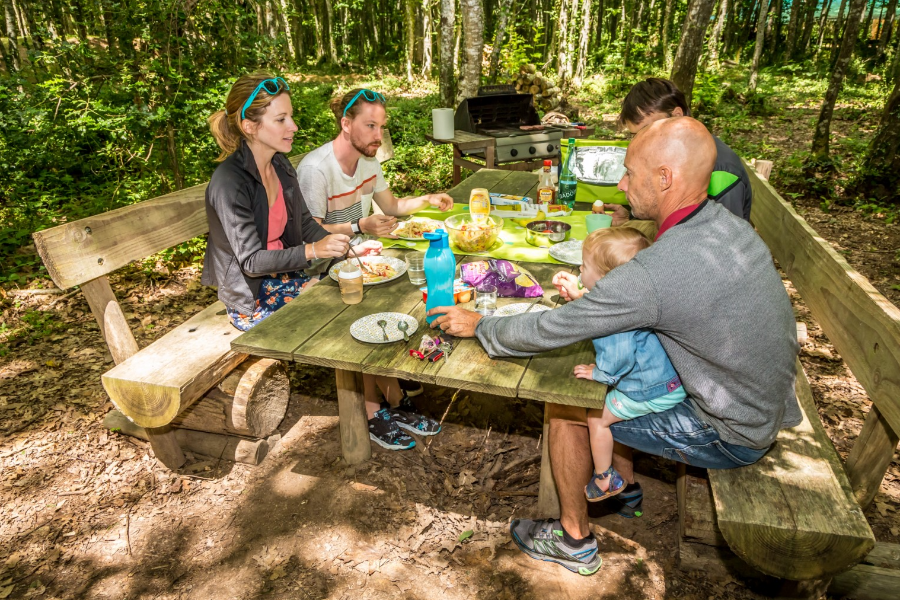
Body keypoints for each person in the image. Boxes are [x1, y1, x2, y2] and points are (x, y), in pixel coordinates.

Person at [428, 117, 800, 576]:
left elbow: (553, 330)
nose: (622, 184)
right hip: (762, 397)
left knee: (566, 405)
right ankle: (624, 487)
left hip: (732, 429)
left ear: (665, 178)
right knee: (614, 384)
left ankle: (574, 539)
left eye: (629, 172)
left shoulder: (658, 268)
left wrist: (482, 324)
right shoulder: (722, 224)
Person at [296, 88, 452, 442]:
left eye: (381, 127)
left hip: (358, 256)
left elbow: (392, 206)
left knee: (409, 286)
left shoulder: (368, 161)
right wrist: (358, 226)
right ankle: (372, 409)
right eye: (370, 126)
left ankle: (395, 395)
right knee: (369, 309)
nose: (378, 136)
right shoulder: (316, 169)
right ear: (346, 124)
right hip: (317, 266)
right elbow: (308, 233)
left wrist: (427, 198)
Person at [202, 72, 354, 332]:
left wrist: (343, 247)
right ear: (249, 126)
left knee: (353, 283)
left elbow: (305, 223)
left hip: (287, 275)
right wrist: (314, 250)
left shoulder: (279, 164)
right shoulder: (231, 182)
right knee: (338, 312)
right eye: (281, 119)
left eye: (291, 116)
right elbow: (250, 262)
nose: (293, 126)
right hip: (252, 296)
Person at [551, 228, 686, 504]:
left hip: (651, 389)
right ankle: (624, 487)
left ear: (605, 281)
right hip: (667, 379)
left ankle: (605, 478)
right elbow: (604, 309)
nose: (579, 268)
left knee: (596, 417)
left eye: (585, 266)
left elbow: (619, 357)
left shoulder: (615, 323)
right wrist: (580, 296)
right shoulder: (632, 299)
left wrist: (599, 373)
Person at [612, 77, 753, 223]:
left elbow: (723, 240)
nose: (641, 141)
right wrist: (632, 220)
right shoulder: (662, 155)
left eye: (647, 130)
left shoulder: (721, 172)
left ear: (677, 115)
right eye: (635, 135)